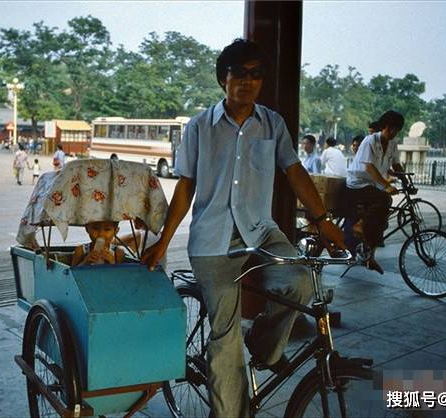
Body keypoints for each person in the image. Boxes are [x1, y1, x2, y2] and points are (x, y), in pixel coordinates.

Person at [141, 39, 344, 418]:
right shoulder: (200, 127)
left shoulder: (272, 124)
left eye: (256, 74)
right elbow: (185, 186)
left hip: (261, 230)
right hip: (212, 241)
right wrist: (163, 241)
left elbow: (295, 171)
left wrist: (324, 221)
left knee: (299, 281)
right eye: (239, 73)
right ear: (224, 79)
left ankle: (264, 346)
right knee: (226, 341)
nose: (248, 81)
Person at [344, 110, 404, 274]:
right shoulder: (370, 141)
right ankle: (359, 225)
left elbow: (396, 165)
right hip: (357, 185)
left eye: (396, 130)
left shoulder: (392, 144)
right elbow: (369, 167)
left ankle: (371, 258)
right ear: (383, 127)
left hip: (372, 186)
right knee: (384, 199)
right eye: (390, 129)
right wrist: (386, 185)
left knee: (382, 220)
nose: (392, 133)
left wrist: (406, 179)